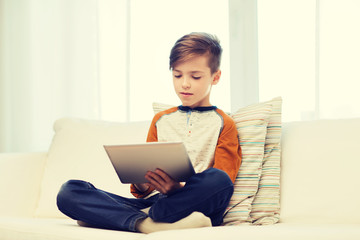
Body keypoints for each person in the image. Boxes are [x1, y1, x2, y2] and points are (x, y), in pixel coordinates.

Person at [56, 32, 241, 233]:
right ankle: (145, 224)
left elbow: (224, 183)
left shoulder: (224, 123)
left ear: (216, 77)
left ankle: (113, 218)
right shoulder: (161, 120)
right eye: (177, 75)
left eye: (195, 76)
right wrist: (142, 180)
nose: (184, 83)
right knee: (70, 191)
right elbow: (143, 191)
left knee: (218, 179)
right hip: (156, 206)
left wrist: (178, 190)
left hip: (197, 207)